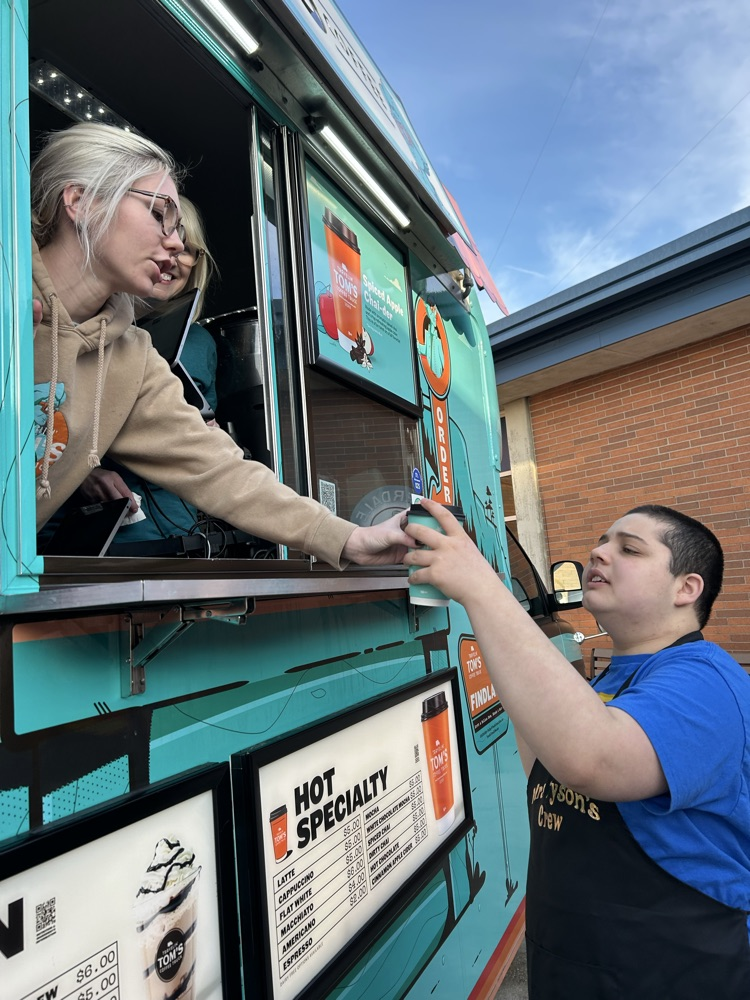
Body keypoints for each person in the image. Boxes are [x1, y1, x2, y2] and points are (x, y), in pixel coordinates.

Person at [404, 499, 750, 998]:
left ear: (686, 588)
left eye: (628, 548)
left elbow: (591, 761)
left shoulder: (704, 682)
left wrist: (479, 586)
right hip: (575, 970)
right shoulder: (609, 683)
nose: (598, 552)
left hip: (678, 975)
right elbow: (549, 765)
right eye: (602, 542)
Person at [32, 122, 411, 567]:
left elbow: (218, 469)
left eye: (177, 226)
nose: (175, 243)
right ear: (79, 201)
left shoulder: (132, 357)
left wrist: (347, 539)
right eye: (159, 214)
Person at [80, 195, 224, 544]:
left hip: (178, 527)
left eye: (187, 249)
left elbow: (204, 427)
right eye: (160, 239)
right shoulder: (83, 324)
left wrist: (210, 434)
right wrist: (83, 473)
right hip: (88, 531)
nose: (172, 256)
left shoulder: (200, 342)